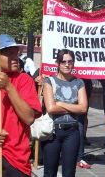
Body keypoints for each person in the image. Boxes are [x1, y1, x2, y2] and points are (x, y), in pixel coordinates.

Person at [0, 34, 41, 176]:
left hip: (16, 161)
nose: (15, 57)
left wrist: (8, 87)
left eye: (16, 53)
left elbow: (29, 118)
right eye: (9, 53)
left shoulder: (24, 80)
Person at [42, 49, 88, 177]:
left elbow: (83, 108)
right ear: (58, 63)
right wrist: (74, 106)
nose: (67, 65)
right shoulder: (49, 82)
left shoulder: (79, 82)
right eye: (63, 62)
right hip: (52, 132)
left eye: (70, 62)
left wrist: (61, 104)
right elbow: (51, 108)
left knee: (69, 173)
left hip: (72, 132)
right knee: (50, 172)